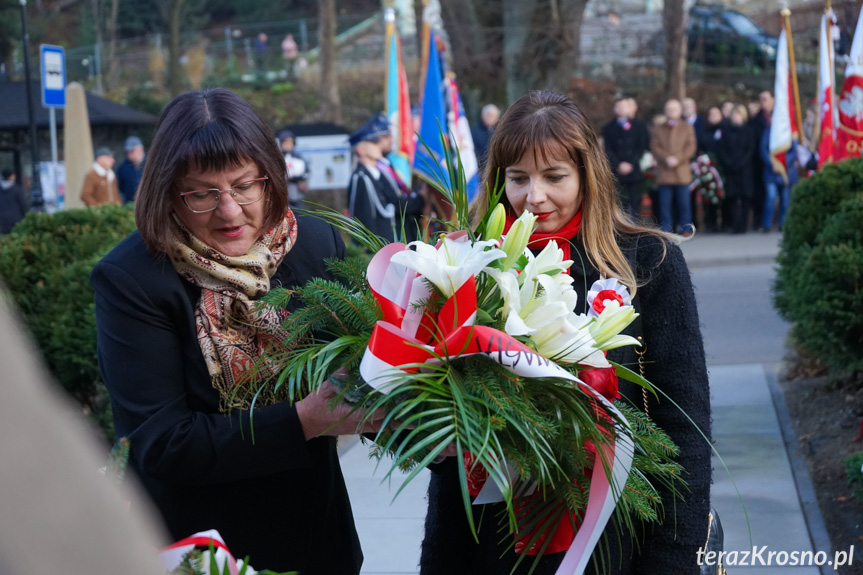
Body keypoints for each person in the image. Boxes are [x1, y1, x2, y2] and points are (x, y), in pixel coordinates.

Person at [420, 90, 711, 574]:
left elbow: (686, 429)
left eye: (554, 177)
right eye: (517, 178)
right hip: (491, 539)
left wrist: (673, 558)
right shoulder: (467, 265)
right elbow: (448, 440)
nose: (534, 196)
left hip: (619, 539)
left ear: (587, 175)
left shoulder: (649, 263)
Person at [89, 88, 379, 574]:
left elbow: (351, 374)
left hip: (317, 537)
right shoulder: (134, 279)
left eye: (245, 185)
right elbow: (163, 443)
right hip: (207, 547)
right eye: (201, 193)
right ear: (167, 192)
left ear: (272, 178)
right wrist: (303, 419)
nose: (229, 211)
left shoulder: (312, 240)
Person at [347, 113, 424, 243]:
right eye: (374, 141)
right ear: (361, 149)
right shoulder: (360, 178)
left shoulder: (377, 173)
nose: (379, 145)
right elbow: (364, 221)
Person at [650, 99, 697, 235]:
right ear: (665, 111)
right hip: (665, 172)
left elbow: (691, 147)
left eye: (674, 109)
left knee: (684, 204)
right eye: (669, 109)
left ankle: (686, 228)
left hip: (681, 172)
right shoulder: (658, 128)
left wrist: (678, 158)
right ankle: (666, 229)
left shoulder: (687, 127)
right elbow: (655, 146)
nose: (672, 112)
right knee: (665, 205)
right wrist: (667, 158)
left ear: (680, 111)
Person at [602, 97, 650, 219]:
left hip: (633, 169)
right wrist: (618, 164)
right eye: (619, 106)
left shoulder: (639, 125)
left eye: (625, 106)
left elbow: (642, 146)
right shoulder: (608, 128)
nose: (622, 109)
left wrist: (631, 163)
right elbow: (608, 149)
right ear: (615, 109)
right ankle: (620, 226)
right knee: (618, 200)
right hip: (616, 170)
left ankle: (636, 227)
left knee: (635, 200)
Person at [715, 105, 754, 234]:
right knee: (732, 198)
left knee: (744, 198)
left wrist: (741, 163)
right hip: (730, 170)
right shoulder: (726, 131)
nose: (736, 117)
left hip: (745, 170)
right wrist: (729, 163)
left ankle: (743, 225)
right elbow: (721, 150)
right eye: (734, 114)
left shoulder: (748, 131)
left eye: (739, 114)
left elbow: (750, 150)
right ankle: (734, 225)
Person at [760, 120, 799, 233]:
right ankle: (767, 224)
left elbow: (794, 150)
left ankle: (783, 224)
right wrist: (773, 164)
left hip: (787, 172)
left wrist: (783, 163)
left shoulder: (790, 131)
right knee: (771, 197)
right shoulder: (768, 131)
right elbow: (763, 149)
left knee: (786, 198)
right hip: (771, 170)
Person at [749, 91, 774, 230]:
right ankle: (760, 221)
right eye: (761, 99)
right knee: (759, 193)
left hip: (777, 162)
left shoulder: (780, 117)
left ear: (773, 100)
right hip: (759, 162)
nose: (763, 101)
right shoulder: (755, 120)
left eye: (765, 99)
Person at [278, 130, 310, 210]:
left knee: (300, 211)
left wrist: (301, 179)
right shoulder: (278, 158)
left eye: (290, 142)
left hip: (298, 189)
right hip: (285, 190)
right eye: (286, 142)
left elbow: (306, 171)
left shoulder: (299, 158)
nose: (288, 144)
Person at [116, 136, 146, 204]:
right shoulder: (122, 167)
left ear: (140, 149)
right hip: (129, 204)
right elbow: (120, 186)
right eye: (127, 152)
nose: (129, 154)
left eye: (132, 151)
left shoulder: (150, 163)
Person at [471, 104, 500, 170]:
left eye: (493, 116)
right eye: (489, 115)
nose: (491, 118)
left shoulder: (498, 132)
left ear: (497, 119)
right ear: (482, 116)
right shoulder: (474, 133)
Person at [0, 168, 28, 234]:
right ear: (10, 177)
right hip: (16, 219)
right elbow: (23, 205)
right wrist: (26, 216)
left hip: (3, 221)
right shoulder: (17, 190)